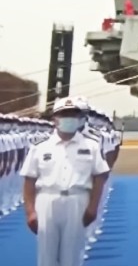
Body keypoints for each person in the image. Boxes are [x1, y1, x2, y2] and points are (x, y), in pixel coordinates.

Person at [20, 97, 110, 266]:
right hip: (47, 200)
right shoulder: (40, 146)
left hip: (77, 200)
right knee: (46, 255)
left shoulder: (91, 145)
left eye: (73, 114)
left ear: (79, 118)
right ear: (54, 119)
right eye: (64, 114)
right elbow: (29, 180)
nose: (69, 118)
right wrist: (30, 211)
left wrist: (93, 207)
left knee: (72, 256)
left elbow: (100, 176)